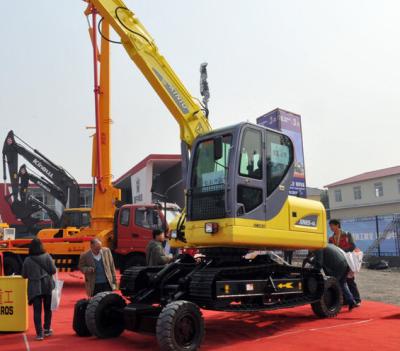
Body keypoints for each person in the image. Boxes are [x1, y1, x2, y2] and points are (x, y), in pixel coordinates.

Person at [22, 238, 57, 341]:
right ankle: (47, 329)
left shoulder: (28, 260)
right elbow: (53, 271)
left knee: (37, 311)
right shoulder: (47, 256)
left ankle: (39, 334)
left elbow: (24, 275)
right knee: (47, 309)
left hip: (34, 288)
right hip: (47, 285)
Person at [306, 243, 357, 311]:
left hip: (337, 266)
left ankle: (334, 304)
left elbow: (319, 263)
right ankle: (351, 301)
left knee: (332, 285)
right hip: (345, 263)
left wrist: (312, 272)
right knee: (342, 283)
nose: (309, 251)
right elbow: (318, 259)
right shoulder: (323, 244)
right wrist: (310, 261)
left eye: (309, 249)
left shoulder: (318, 247)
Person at [329, 219, 361, 306]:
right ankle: (347, 300)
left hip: (349, 259)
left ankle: (357, 299)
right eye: (330, 226)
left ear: (337, 225)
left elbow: (352, 246)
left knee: (350, 279)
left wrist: (340, 251)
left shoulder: (347, 234)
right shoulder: (331, 238)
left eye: (332, 225)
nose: (331, 227)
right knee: (341, 280)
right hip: (339, 262)